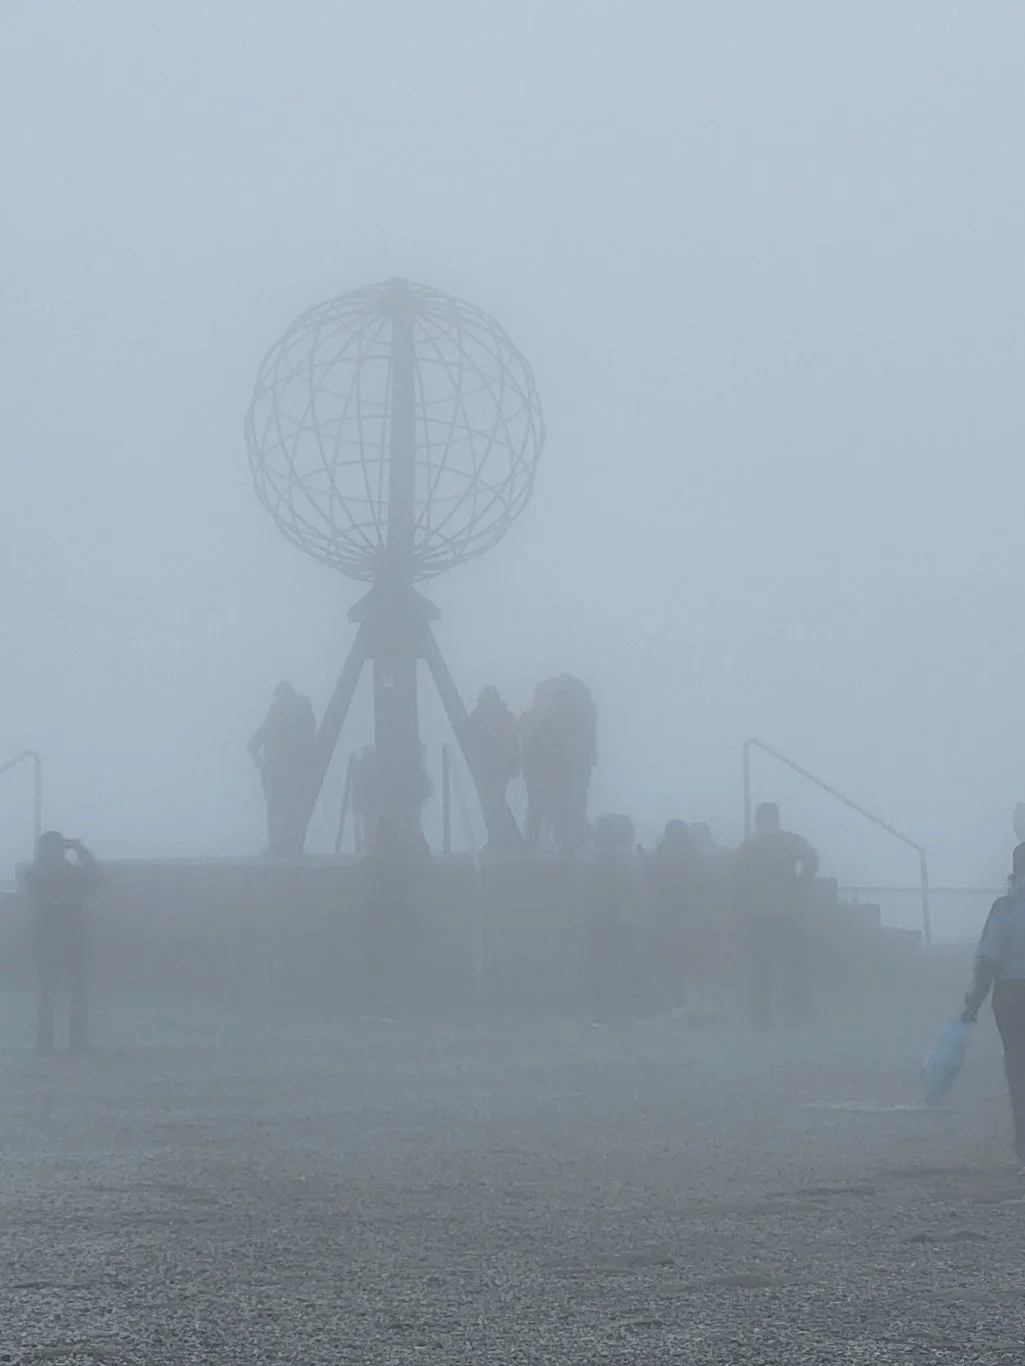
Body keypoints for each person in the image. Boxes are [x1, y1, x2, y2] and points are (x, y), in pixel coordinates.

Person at [962, 843, 1025, 1170]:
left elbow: (989, 958)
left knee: (1018, 1066)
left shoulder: (1005, 907)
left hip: (1012, 994)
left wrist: (973, 1003)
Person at [734, 802, 818, 1026]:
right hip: (790, 908)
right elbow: (812, 860)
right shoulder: (791, 841)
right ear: (777, 819)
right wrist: (801, 882)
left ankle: (761, 1015)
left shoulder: (750, 845)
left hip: (759, 910)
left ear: (757, 820)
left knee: (761, 964)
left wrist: (744, 898)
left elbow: (736, 875)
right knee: (795, 961)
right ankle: (798, 1012)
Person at [23, 832, 103, 1055]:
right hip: (73, 939)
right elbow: (99, 880)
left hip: (46, 940)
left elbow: (35, 885)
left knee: (47, 994)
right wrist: (80, 851)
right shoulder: (72, 875)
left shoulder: (34, 874)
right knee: (77, 993)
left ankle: (44, 1041)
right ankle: (77, 1040)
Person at [584, 814, 648, 1025]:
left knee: (599, 967)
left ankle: (598, 1015)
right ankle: (643, 1010)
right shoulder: (628, 859)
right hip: (624, 918)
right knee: (633, 964)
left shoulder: (589, 858)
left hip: (598, 919)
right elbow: (635, 888)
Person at [358, 817, 420, 1019]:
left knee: (376, 964)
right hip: (395, 918)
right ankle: (388, 1006)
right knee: (393, 964)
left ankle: (372, 1006)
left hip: (377, 919)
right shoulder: (404, 861)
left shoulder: (370, 861)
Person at [248, 681, 316, 856]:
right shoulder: (301, 714)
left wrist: (260, 759)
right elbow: (255, 742)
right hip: (286, 770)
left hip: (279, 770)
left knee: (279, 808)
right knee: (287, 808)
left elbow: (258, 741)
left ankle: (280, 845)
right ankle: (288, 845)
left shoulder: (281, 715)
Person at [648, 820, 697, 1012]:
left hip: (665, 914)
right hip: (687, 914)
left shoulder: (661, 853)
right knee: (684, 960)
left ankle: (673, 1001)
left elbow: (652, 882)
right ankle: (682, 1001)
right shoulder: (690, 853)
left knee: (669, 959)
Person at [464, 686, 521, 850]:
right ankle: (504, 839)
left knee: (492, 804)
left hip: (492, 768)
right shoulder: (504, 716)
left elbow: (469, 736)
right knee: (495, 802)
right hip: (499, 768)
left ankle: (501, 840)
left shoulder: (480, 717)